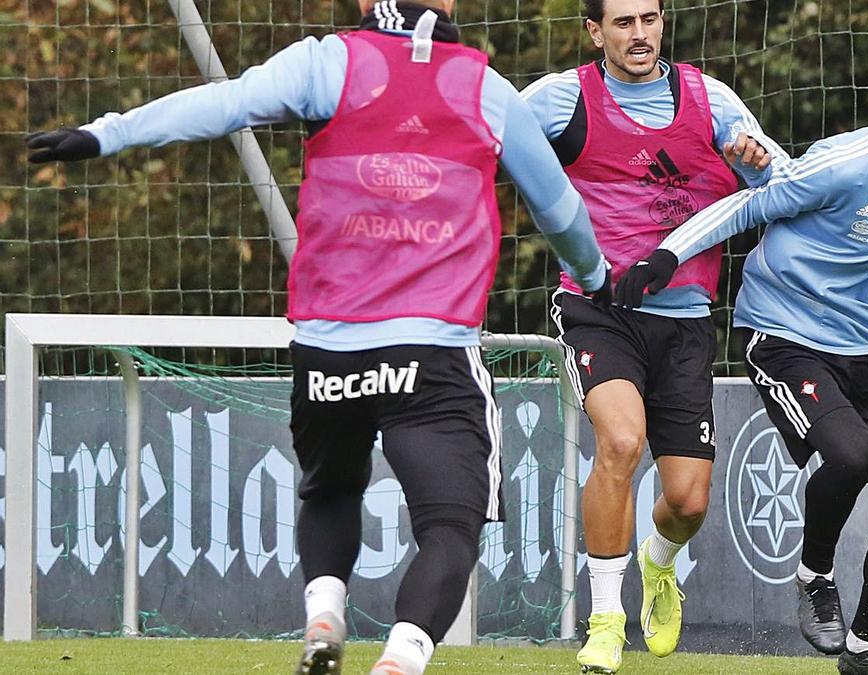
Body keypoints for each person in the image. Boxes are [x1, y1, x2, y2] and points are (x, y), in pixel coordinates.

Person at [26, 2, 611, 674]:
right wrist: (594, 274)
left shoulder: (326, 62)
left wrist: (107, 134)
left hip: (329, 347)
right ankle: (401, 657)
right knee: (451, 525)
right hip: (434, 350)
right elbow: (561, 209)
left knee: (330, 488)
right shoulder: (486, 89)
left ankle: (324, 613)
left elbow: (224, 102)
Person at [615, 36, 868, 675]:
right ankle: (814, 575)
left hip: (866, 341)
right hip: (782, 332)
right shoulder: (844, 163)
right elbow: (752, 202)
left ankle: (865, 650)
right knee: (850, 453)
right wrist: (667, 255)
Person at [520, 0, 787, 671]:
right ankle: (606, 618)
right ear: (595, 32)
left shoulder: (714, 100)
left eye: (648, 19)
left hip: (685, 321)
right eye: (622, 22)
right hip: (597, 306)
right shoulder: (560, 100)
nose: (637, 34)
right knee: (619, 439)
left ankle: (658, 562)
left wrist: (752, 162)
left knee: (688, 499)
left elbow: (784, 186)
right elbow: (488, 134)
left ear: (663, 22)